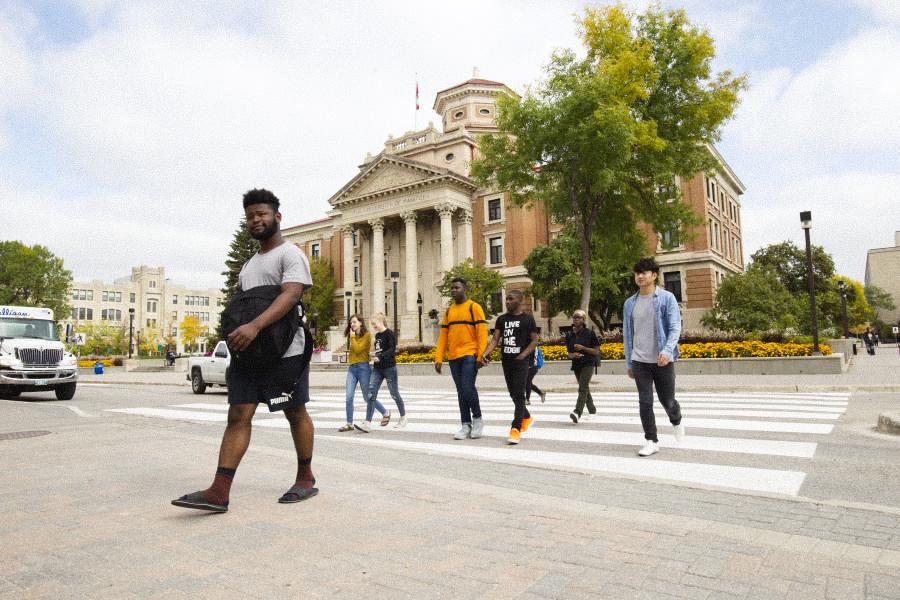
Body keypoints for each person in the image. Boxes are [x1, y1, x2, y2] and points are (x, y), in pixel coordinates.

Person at [172, 188, 317, 512]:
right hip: (250, 353)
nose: (256, 220)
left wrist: (254, 326)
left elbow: (290, 295)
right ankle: (219, 491)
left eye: (262, 214)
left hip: (285, 351)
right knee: (238, 414)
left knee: (294, 411)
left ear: (277, 217)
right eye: (251, 216)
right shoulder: (249, 266)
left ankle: (305, 478)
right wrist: (237, 333)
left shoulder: (290, 254)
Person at [623, 256, 685, 457]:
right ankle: (651, 440)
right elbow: (627, 333)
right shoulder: (629, 303)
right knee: (645, 401)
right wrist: (629, 362)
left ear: (654, 275)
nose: (640, 276)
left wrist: (667, 351)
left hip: (662, 360)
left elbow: (675, 327)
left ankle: (676, 420)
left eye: (644, 273)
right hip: (640, 360)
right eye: (637, 273)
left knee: (667, 401)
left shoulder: (666, 298)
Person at [482, 290, 539, 445]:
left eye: (510, 299)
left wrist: (523, 355)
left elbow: (534, 340)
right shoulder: (502, 319)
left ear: (519, 301)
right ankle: (526, 417)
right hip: (506, 361)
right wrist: (486, 353)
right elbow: (495, 339)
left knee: (519, 395)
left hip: (521, 362)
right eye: (506, 299)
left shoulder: (528, 319)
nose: (507, 302)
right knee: (513, 394)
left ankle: (515, 429)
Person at [434, 278, 488, 440]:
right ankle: (465, 424)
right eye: (452, 288)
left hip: (470, 354)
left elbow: (482, 333)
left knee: (467, 386)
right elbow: (443, 335)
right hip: (453, 357)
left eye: (456, 288)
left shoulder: (474, 307)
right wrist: (438, 358)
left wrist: (480, 355)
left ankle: (477, 419)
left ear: (465, 288)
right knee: (460, 391)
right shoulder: (449, 311)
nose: (453, 291)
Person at [358, 313, 407, 432]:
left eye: (374, 323)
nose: (373, 326)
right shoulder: (377, 335)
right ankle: (367, 423)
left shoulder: (390, 334)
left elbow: (392, 349)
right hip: (377, 369)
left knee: (394, 394)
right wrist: (374, 356)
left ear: (381, 321)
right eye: (372, 324)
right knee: (371, 394)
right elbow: (379, 350)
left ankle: (403, 418)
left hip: (389, 368)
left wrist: (381, 357)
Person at [344, 315, 391, 432]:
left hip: (363, 368)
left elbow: (358, 349)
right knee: (349, 397)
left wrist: (353, 337)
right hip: (352, 369)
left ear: (361, 323)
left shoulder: (367, 335)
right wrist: (353, 337)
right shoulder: (353, 336)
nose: (352, 324)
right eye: (351, 323)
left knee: (367, 397)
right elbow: (353, 351)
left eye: (354, 322)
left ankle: (385, 412)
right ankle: (349, 423)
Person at [566, 310, 600, 424]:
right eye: (574, 317)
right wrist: (572, 355)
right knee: (585, 388)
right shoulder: (569, 335)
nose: (576, 319)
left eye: (579, 317)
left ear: (583, 319)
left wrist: (583, 348)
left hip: (588, 363)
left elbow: (595, 351)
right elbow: (569, 353)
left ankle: (577, 412)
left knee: (582, 387)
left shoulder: (590, 333)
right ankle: (592, 410)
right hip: (576, 364)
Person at [525, 327, 546, 405]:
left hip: (533, 366)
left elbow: (533, 358)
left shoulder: (534, 346)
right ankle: (541, 393)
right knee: (528, 383)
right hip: (529, 366)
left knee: (527, 382)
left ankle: (527, 399)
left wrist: (529, 366)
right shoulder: (530, 344)